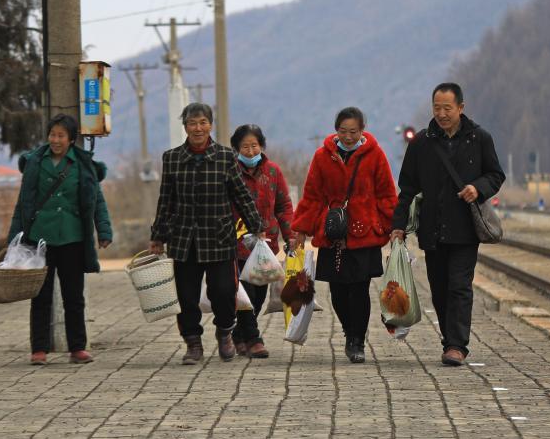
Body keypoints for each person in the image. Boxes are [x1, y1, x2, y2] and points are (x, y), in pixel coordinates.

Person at [391, 83, 505, 366]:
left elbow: (495, 174)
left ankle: (457, 345)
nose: (441, 114)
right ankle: (448, 340)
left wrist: (478, 188)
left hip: (465, 230)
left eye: (447, 108)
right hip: (432, 230)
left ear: (461, 108)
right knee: (439, 288)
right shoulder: (421, 143)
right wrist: (398, 226)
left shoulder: (479, 139)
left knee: (460, 286)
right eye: (437, 108)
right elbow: (407, 187)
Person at [149, 103, 265, 365]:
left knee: (224, 292)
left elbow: (240, 195)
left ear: (211, 125)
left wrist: (256, 225)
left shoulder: (225, 157)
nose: (198, 128)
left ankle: (225, 332)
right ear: (185, 127)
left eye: (203, 122)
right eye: (192, 123)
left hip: (219, 238)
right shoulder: (172, 158)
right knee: (186, 296)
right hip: (184, 239)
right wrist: (158, 235)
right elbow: (165, 199)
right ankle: (193, 343)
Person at [292, 107, 397, 363]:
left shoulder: (375, 155)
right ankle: (348, 330)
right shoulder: (322, 157)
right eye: (342, 131)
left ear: (362, 130)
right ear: (335, 130)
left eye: (353, 131)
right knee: (338, 291)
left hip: (364, 234)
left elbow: (386, 193)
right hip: (333, 233)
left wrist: (392, 225)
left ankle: (356, 340)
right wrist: (301, 230)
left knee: (359, 288)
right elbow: (313, 196)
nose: (348, 137)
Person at [7, 114, 113, 366]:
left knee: (73, 296)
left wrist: (104, 231)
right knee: (41, 296)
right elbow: (23, 204)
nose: (55, 140)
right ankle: (39, 349)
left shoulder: (82, 164)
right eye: (52, 134)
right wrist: (14, 240)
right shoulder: (34, 162)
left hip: (72, 237)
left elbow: (96, 200)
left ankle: (77, 347)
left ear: (71, 139)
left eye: (61, 135)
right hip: (39, 239)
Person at [230, 124, 294, 358]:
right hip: (236, 244)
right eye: (244, 146)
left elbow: (284, 206)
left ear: (262, 146)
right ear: (236, 148)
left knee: (258, 296)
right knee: (244, 292)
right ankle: (255, 339)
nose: (249, 151)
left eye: (254, 145)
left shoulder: (273, 172)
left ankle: (238, 335)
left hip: (266, 245)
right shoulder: (230, 172)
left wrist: (290, 236)